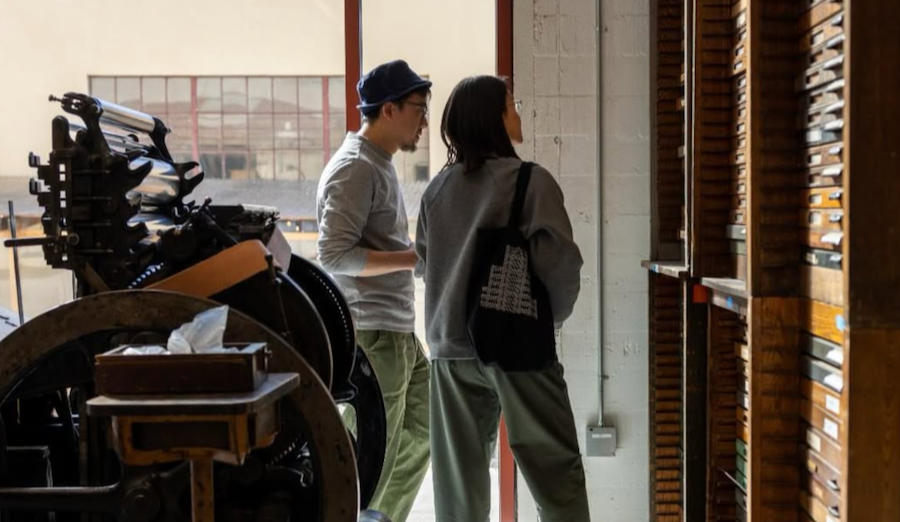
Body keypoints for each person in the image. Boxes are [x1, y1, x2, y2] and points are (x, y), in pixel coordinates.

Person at [415, 75, 590, 522]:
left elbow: (424, 265)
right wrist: (550, 319)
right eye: (511, 105)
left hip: (449, 351)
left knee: (459, 493)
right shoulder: (531, 182)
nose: (518, 113)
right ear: (493, 118)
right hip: (518, 346)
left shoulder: (436, 191)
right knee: (556, 476)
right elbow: (560, 268)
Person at [316, 59, 431, 522]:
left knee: (422, 431)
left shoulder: (377, 165)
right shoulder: (355, 168)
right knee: (372, 457)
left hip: (396, 332)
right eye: (418, 109)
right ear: (389, 109)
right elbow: (333, 255)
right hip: (373, 335)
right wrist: (414, 257)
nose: (424, 121)